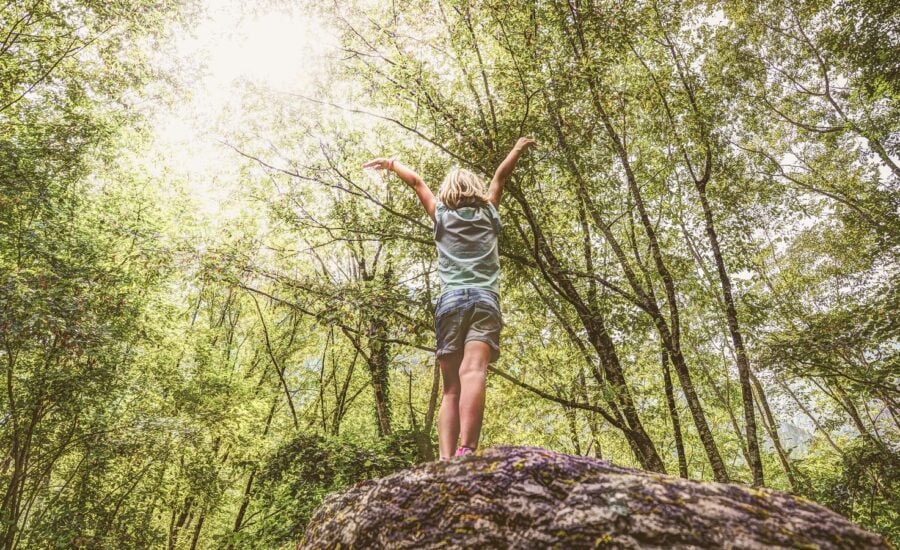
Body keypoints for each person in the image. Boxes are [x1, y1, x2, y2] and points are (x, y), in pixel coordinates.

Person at [363, 137, 536, 460]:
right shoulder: (488, 212)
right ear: (475, 189)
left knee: (450, 388)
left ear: (449, 190)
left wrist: (390, 164)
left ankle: (445, 459)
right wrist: (516, 148)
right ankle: (467, 449)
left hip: (451, 303)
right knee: (474, 372)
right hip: (485, 302)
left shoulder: (441, 214)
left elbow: (417, 182)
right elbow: (500, 177)